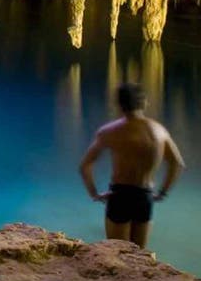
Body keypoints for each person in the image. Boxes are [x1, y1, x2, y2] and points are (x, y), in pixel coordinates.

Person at [79, 82, 185, 248]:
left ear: (120, 105)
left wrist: (95, 194)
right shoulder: (159, 131)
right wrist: (162, 193)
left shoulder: (109, 131)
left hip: (119, 195)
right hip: (144, 196)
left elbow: (85, 166)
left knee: (116, 251)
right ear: (143, 103)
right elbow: (177, 164)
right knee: (140, 256)